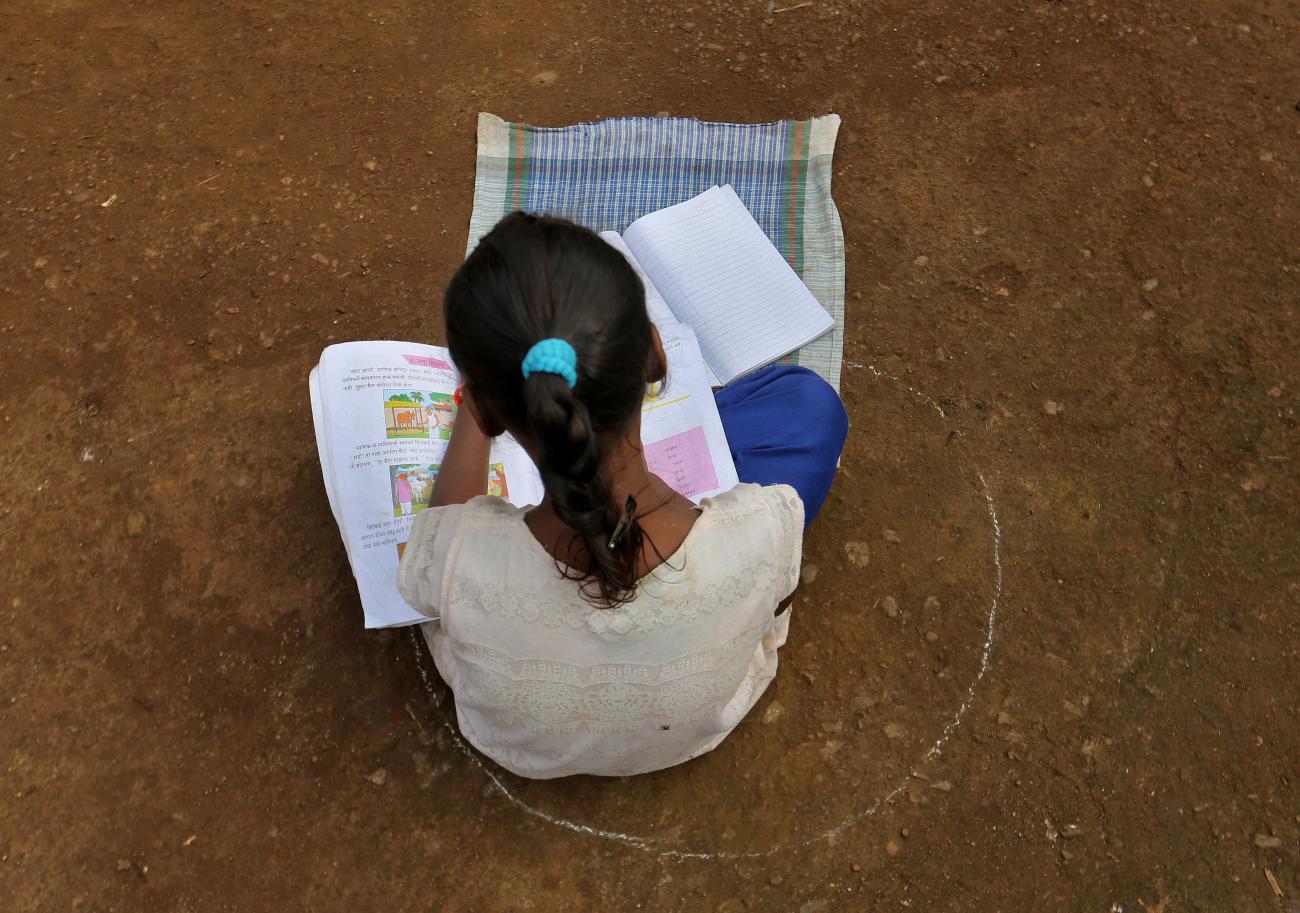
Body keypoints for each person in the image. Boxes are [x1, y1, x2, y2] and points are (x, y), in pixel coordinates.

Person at [397, 212, 847, 779]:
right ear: (656, 354)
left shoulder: (457, 558)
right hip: (700, 723)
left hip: (524, 748)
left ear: (488, 411)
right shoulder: (765, 530)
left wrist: (476, 406)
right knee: (805, 404)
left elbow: (446, 525)